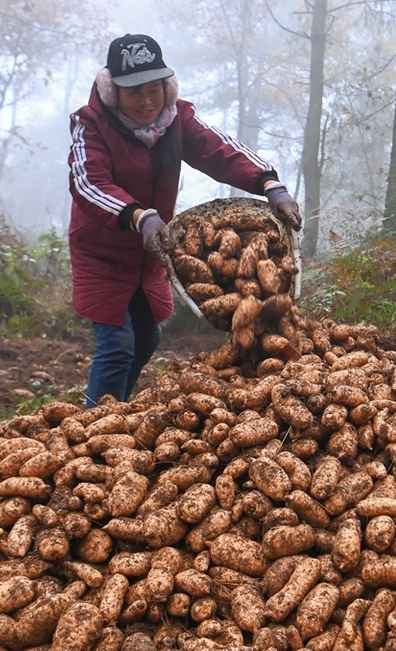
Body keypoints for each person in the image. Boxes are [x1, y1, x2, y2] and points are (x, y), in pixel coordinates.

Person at [68, 33, 301, 407]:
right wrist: (138, 216)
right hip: (104, 251)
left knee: (147, 338)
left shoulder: (177, 122)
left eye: (154, 89)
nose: (146, 101)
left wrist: (269, 183)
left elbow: (221, 149)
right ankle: (92, 422)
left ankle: (114, 409)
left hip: (154, 250)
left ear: (167, 86)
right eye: (134, 92)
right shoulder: (91, 125)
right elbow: (88, 182)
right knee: (117, 344)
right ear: (113, 93)